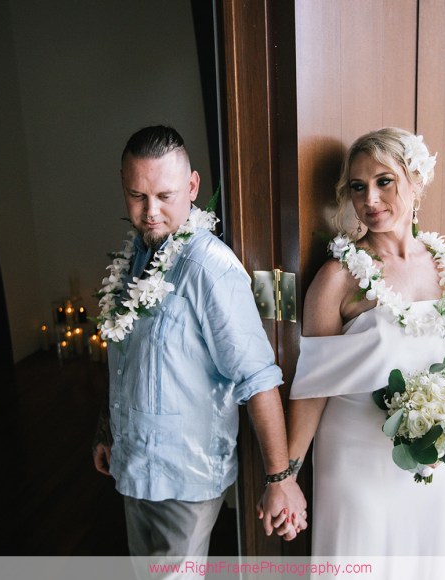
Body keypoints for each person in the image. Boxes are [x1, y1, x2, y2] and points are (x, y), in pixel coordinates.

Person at [92, 126, 306, 561]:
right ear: (123, 184)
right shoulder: (132, 258)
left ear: (192, 186)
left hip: (185, 479)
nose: (150, 212)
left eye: (165, 196)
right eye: (137, 196)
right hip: (132, 466)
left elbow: (257, 376)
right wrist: (107, 427)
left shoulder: (210, 268)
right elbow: (127, 359)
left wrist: (279, 478)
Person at [283, 128, 445, 577]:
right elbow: (311, 389)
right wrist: (285, 477)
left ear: (417, 181)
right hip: (356, 461)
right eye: (357, 186)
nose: (369, 198)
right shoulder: (337, 278)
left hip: (428, 462)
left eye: (384, 181)